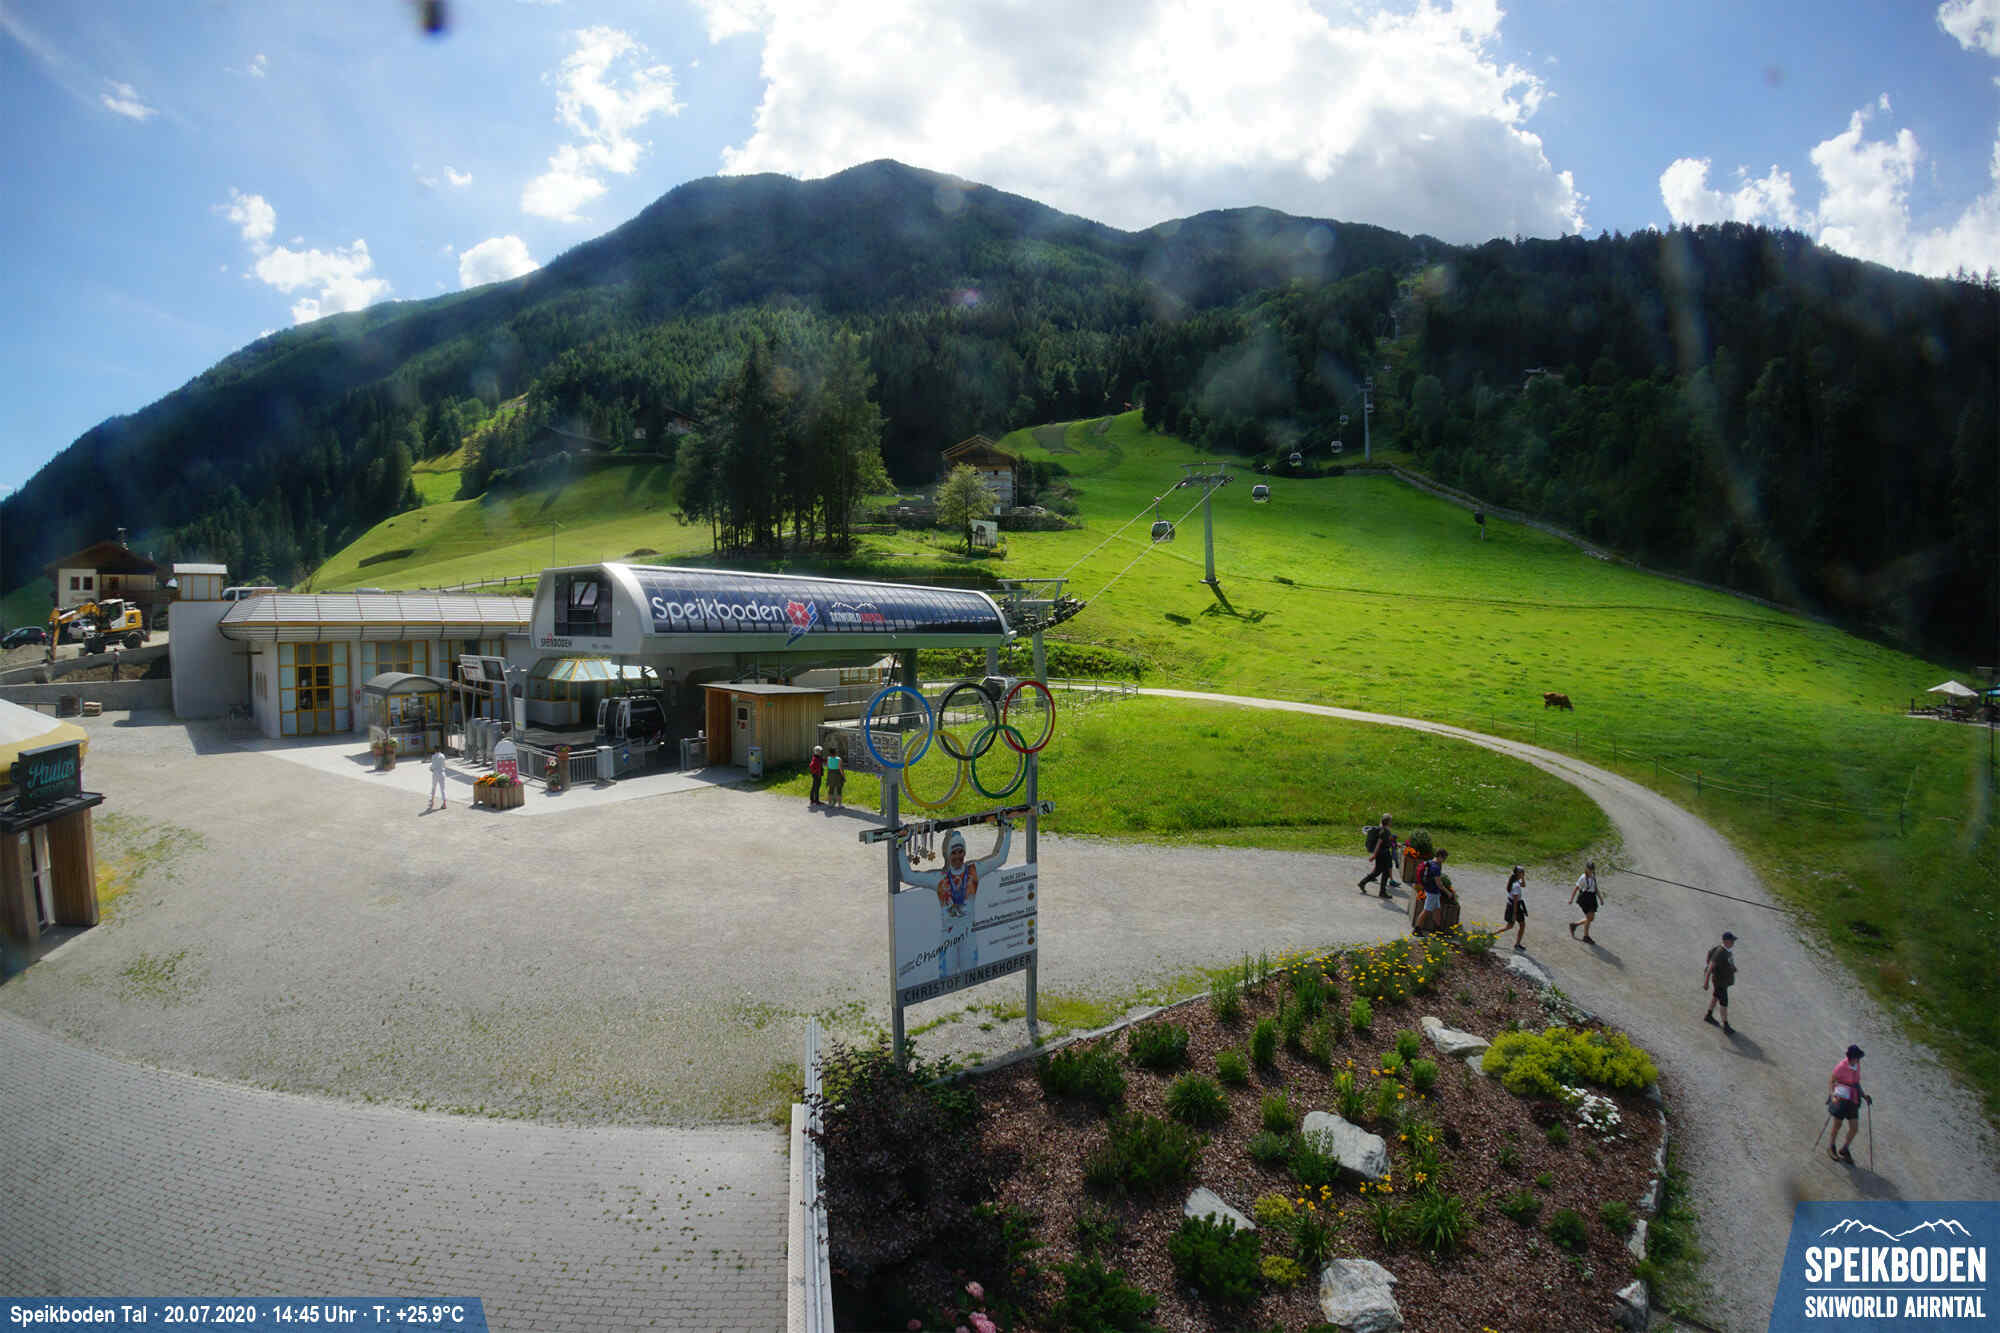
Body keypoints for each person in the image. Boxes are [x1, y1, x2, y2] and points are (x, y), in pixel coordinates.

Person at [895, 818, 1014, 979]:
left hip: (969, 934)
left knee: (970, 977)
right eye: (954, 852)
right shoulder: (939, 878)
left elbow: (1000, 859)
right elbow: (908, 876)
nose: (958, 856)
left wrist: (1008, 830)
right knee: (946, 979)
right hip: (948, 937)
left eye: (960, 852)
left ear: (964, 852)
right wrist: (901, 845)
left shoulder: (974, 871)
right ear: (947, 854)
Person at [1826, 1045, 1871, 1164]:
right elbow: (1831, 1081)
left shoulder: (1857, 1066)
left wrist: (1864, 1095)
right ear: (1852, 1057)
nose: (1859, 1060)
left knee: (1854, 1128)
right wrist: (1832, 1095)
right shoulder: (1841, 1066)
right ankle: (1831, 1146)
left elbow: (1856, 1083)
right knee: (1837, 1125)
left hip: (1853, 1099)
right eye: (1858, 1057)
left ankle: (1844, 1149)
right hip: (1840, 1097)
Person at [1702, 931, 1738, 1033]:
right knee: (1724, 1003)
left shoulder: (1727, 950)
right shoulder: (1720, 952)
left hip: (1723, 982)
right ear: (1726, 941)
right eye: (1732, 940)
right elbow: (1710, 967)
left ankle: (1709, 1015)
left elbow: (1728, 962)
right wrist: (1706, 982)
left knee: (1716, 996)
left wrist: (1733, 968)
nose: (1733, 942)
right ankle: (1726, 1026)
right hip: (1720, 982)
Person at [1358, 814, 1399, 896]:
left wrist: (1396, 844)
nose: (1391, 822)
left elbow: (1386, 841)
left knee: (1382, 872)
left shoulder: (1384, 830)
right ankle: (1379, 890)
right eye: (1390, 821)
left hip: (1383, 853)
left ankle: (1365, 884)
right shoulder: (1385, 831)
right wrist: (1374, 855)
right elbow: (1379, 843)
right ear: (1388, 822)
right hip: (1383, 854)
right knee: (1380, 872)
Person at [1415, 849, 1450, 934]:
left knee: (1437, 909)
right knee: (1426, 911)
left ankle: (1437, 928)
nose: (1444, 860)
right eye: (1444, 858)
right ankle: (1417, 929)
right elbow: (1439, 884)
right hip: (1432, 892)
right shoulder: (1436, 867)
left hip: (1431, 890)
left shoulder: (1430, 862)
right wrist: (1448, 892)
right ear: (1440, 856)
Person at [1568, 861, 1603, 942]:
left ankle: (1574, 925)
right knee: (1589, 917)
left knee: (1591, 918)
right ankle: (1586, 936)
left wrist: (1600, 898)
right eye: (1589, 869)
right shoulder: (1583, 878)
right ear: (1586, 868)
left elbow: (1595, 888)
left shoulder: (1593, 876)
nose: (1591, 870)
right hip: (1584, 898)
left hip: (1592, 898)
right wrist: (1571, 899)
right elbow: (1576, 889)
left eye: (1592, 869)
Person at [1502, 865, 1528, 949]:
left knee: (1516, 926)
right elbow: (1515, 901)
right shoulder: (1516, 885)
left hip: (1512, 906)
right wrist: (1514, 914)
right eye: (1522, 872)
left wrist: (1522, 877)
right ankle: (1517, 944)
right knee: (1510, 926)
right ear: (1518, 873)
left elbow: (1524, 885)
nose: (1524, 873)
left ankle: (1517, 944)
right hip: (1514, 907)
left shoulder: (1515, 881)